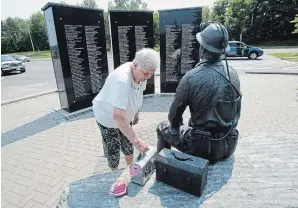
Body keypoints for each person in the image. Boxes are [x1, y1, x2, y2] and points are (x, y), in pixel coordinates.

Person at [156, 22, 242, 163]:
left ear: (202, 48)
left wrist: (179, 126)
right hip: (229, 146)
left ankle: (163, 166)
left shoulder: (191, 78)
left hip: (202, 149)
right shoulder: (233, 73)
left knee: (162, 127)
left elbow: (174, 118)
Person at [93, 48, 160, 170]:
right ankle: (113, 173)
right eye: (146, 73)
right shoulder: (121, 80)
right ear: (135, 65)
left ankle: (130, 169)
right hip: (107, 117)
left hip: (123, 115)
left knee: (128, 142)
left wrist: (136, 113)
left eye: (151, 73)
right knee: (112, 147)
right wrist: (138, 142)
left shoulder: (142, 72)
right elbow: (118, 117)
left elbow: (138, 94)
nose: (148, 77)